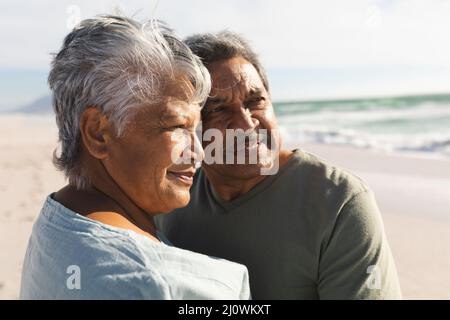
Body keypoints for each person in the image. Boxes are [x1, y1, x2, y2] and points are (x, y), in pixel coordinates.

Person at [156, 31, 402, 299]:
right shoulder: (173, 196)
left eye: (255, 102)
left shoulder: (338, 202)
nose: (246, 123)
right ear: (189, 123)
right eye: (219, 109)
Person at [20, 16, 250, 300]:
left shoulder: (59, 219)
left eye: (196, 129)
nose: (198, 152)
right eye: (177, 127)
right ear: (98, 133)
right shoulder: (157, 285)